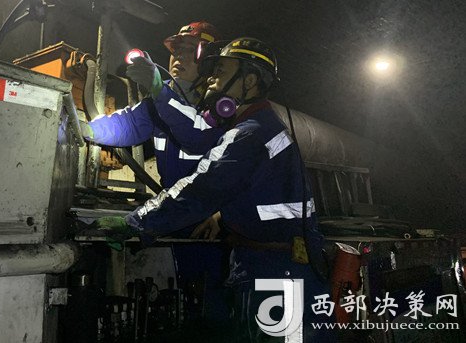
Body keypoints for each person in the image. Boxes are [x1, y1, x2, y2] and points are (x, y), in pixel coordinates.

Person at [94, 37, 334, 342]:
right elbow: (258, 189)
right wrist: (223, 216)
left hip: (274, 270)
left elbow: (200, 190)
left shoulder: (250, 134)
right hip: (280, 263)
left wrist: (134, 223)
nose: (211, 78)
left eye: (220, 71)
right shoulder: (259, 125)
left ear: (249, 82)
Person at [84, 21, 224, 189]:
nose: (179, 56)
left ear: (210, 61)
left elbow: (198, 137)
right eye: (177, 50)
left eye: (190, 50)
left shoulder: (222, 104)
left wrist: (159, 90)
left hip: (208, 200)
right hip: (173, 197)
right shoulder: (161, 96)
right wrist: (87, 129)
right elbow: (131, 125)